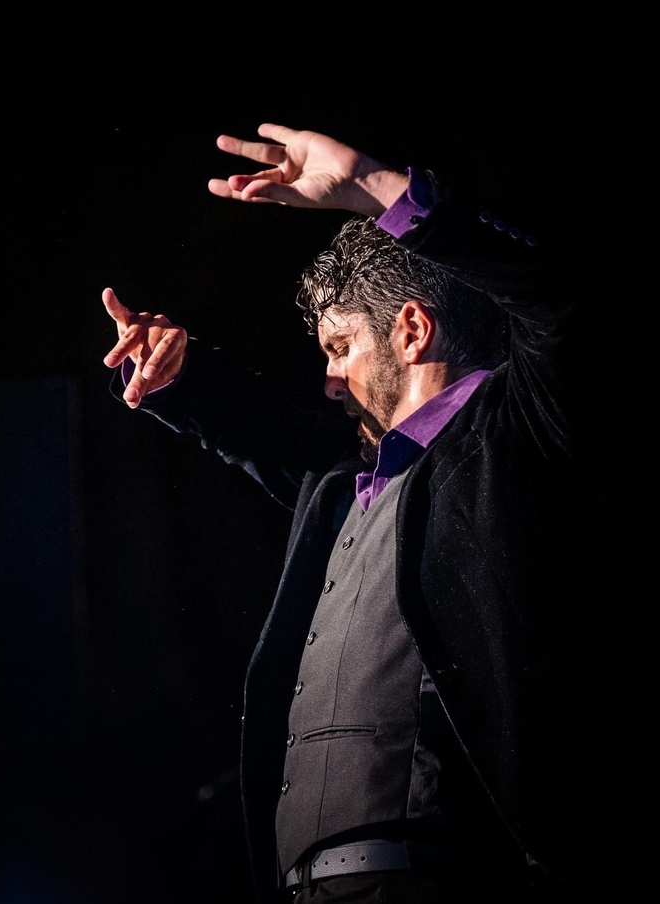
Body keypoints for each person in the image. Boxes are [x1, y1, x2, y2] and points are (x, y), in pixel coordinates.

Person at [102, 123, 614, 901]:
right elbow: (266, 436)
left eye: (340, 347)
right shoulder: (346, 486)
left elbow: (565, 304)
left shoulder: (514, 439)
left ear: (411, 329)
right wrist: (181, 378)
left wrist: (380, 188)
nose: (331, 381)